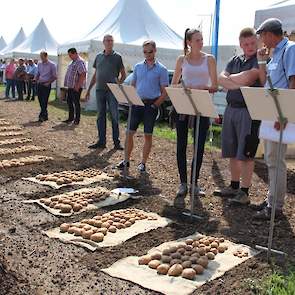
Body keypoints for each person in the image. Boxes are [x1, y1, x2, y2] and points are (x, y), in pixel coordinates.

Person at [253, 18, 295, 220]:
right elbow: (267, 82)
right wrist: (262, 61)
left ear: (270, 34)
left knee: (275, 159)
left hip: (281, 112)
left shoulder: (290, 49)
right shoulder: (275, 53)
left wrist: (285, 113)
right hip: (272, 110)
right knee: (271, 158)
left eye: (261, 35)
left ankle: (275, 206)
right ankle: (272, 198)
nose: (260, 39)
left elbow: (293, 81)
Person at [171, 28, 217, 207]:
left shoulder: (210, 59)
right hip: (184, 105)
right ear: (189, 42)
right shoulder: (181, 59)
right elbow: (174, 83)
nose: (201, 42)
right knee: (181, 144)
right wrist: (182, 88)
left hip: (202, 105)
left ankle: (194, 183)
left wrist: (200, 88)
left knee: (199, 146)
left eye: (202, 39)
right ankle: (183, 183)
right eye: (197, 40)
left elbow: (215, 85)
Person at [216, 28, 260, 205]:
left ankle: (244, 192)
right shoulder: (234, 60)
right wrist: (237, 81)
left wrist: (231, 81)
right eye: (246, 44)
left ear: (256, 42)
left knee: (246, 152)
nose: (249, 47)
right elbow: (220, 78)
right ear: (240, 44)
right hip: (231, 108)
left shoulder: (260, 61)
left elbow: (249, 79)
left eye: (252, 43)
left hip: (248, 111)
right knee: (232, 150)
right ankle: (233, 186)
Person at [117, 40, 169, 173]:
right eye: (145, 52)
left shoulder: (162, 69)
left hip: (151, 105)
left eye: (150, 52)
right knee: (129, 133)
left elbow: (165, 91)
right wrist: (130, 98)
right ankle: (126, 160)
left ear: (155, 50)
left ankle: (143, 163)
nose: (147, 54)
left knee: (148, 135)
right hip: (136, 103)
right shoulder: (138, 66)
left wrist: (155, 105)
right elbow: (133, 85)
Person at [86, 34, 126, 150]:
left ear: (113, 42)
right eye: (107, 40)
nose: (109, 42)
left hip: (112, 91)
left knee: (114, 116)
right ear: (103, 42)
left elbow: (123, 74)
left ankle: (116, 142)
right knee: (100, 116)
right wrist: (88, 90)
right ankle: (101, 141)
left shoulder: (118, 57)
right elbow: (95, 75)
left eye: (111, 40)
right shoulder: (98, 57)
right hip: (99, 90)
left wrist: (119, 84)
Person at [63, 48, 87, 125]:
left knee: (76, 103)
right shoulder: (73, 62)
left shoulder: (80, 62)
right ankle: (70, 118)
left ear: (75, 53)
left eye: (70, 55)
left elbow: (83, 74)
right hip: (71, 86)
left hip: (76, 87)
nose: (70, 57)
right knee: (69, 101)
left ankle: (77, 120)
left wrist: (78, 85)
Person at [34, 51, 57, 122]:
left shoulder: (52, 65)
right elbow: (38, 73)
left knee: (44, 101)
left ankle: (42, 116)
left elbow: (55, 76)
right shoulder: (39, 64)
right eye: (40, 57)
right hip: (39, 84)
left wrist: (48, 82)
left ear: (46, 56)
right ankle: (45, 115)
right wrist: (35, 79)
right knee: (40, 101)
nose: (41, 58)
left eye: (42, 57)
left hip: (46, 85)